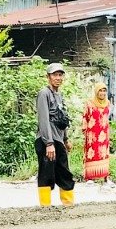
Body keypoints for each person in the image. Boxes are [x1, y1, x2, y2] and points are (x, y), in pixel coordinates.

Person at [35, 63, 76, 207]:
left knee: (64, 172)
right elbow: (44, 119)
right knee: (46, 173)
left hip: (58, 140)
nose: (58, 78)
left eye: (60, 75)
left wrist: (65, 139)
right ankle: (45, 206)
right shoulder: (44, 93)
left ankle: (68, 204)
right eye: (55, 75)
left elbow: (62, 119)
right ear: (48, 77)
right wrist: (49, 143)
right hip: (46, 140)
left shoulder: (59, 95)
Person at [82, 81, 112, 182]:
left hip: (104, 134)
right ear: (96, 92)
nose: (102, 93)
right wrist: (84, 129)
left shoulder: (107, 103)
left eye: (104, 91)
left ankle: (105, 176)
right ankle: (90, 178)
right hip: (92, 135)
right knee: (92, 154)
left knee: (103, 154)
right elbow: (85, 117)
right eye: (100, 91)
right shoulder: (89, 103)